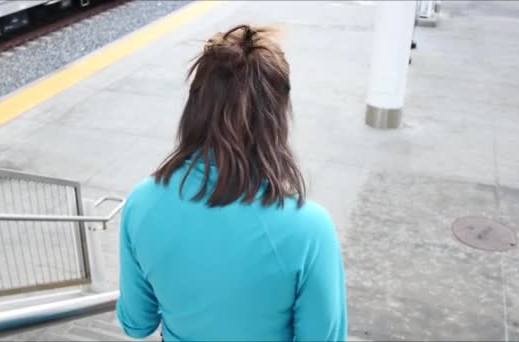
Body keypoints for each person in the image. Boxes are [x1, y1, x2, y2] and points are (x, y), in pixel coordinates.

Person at [116, 24, 347, 341]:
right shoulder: (310, 229)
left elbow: (136, 323)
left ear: (195, 106)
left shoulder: (142, 203)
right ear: (278, 114)